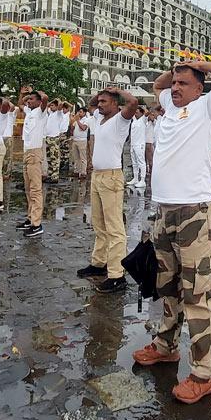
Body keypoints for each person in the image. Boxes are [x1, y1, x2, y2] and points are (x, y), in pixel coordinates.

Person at [131, 60, 211, 404]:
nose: (175, 88)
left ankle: (203, 375)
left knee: (198, 294)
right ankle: (165, 346)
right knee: (169, 286)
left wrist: (196, 63)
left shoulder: (207, 108)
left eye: (183, 83)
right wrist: (175, 69)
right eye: (175, 83)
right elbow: (157, 86)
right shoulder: (168, 105)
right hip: (164, 210)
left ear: (200, 88)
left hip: (194, 212)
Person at [77, 88, 136, 292]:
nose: (100, 104)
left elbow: (133, 103)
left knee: (114, 228)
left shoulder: (120, 120)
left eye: (105, 102)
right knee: (98, 223)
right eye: (100, 101)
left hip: (112, 176)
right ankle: (98, 263)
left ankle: (117, 275)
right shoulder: (97, 118)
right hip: (97, 175)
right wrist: (101, 94)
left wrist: (117, 91)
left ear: (115, 104)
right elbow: (91, 103)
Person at [15, 86, 49, 238]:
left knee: (35, 189)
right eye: (28, 100)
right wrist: (24, 94)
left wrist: (39, 93)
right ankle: (30, 218)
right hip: (27, 152)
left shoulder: (41, 112)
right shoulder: (29, 111)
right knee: (28, 189)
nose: (28, 101)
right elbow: (20, 104)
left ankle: (37, 224)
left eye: (32, 99)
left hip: (35, 152)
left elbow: (46, 99)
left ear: (39, 101)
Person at [127, 105, 147, 189]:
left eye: (137, 112)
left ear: (141, 113)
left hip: (140, 145)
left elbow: (147, 113)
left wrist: (143, 107)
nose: (136, 114)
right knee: (134, 163)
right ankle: (135, 179)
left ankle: (142, 180)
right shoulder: (134, 120)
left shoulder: (143, 120)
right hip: (133, 144)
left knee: (141, 162)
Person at [69, 106, 90, 180]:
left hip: (82, 140)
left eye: (81, 112)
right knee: (76, 157)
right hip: (75, 140)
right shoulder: (77, 120)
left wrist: (77, 121)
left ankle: (83, 172)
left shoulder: (86, 120)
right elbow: (72, 129)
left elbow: (83, 128)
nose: (79, 113)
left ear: (84, 113)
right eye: (79, 112)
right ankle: (76, 171)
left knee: (83, 158)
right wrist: (72, 121)